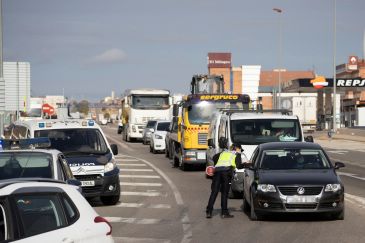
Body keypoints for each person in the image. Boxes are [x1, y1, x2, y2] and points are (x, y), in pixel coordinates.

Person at [206, 143, 244, 219]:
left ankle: (209, 211)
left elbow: (214, 157)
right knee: (224, 193)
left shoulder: (224, 152)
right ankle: (224, 212)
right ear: (237, 148)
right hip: (226, 172)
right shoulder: (237, 154)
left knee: (214, 192)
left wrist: (218, 165)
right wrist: (247, 164)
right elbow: (239, 166)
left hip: (217, 171)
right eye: (240, 149)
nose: (240, 151)